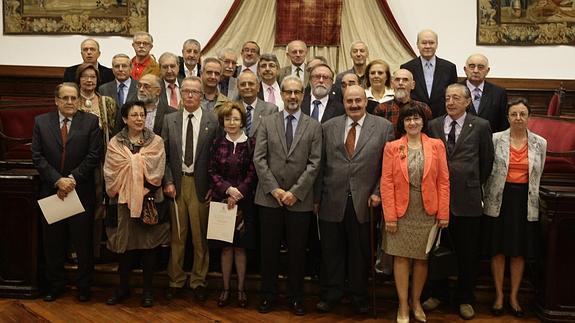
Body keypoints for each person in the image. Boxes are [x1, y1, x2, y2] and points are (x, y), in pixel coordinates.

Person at [315, 85, 394, 314]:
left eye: (358, 100)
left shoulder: (383, 128)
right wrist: (316, 198)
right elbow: (320, 165)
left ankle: (360, 297)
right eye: (349, 101)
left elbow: (387, 168)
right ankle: (332, 294)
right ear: (343, 102)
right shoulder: (329, 127)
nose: (354, 105)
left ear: (366, 101)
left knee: (360, 253)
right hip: (332, 199)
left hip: (366, 201)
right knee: (332, 251)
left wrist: (378, 192)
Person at [253, 75, 322, 316]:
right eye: (288, 92)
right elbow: (259, 158)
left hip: (299, 201)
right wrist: (275, 189)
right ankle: (267, 295)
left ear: (303, 96)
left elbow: (315, 163)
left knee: (296, 253)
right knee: (268, 251)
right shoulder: (267, 122)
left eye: (297, 93)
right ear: (281, 94)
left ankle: (296, 297)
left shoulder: (313, 126)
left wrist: (295, 192)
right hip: (269, 198)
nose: (292, 97)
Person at [426, 83, 494, 320]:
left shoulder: (481, 126)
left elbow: (486, 162)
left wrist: (471, 182)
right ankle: (438, 294)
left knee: (467, 253)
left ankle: (465, 298)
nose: (451, 102)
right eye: (447, 98)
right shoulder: (434, 124)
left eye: (456, 97)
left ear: (467, 101)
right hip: (437, 201)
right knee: (437, 250)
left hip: (468, 199)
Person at [31, 83, 102, 302]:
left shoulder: (90, 122)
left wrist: (71, 179)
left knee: (83, 243)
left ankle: (83, 285)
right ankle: (56, 284)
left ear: (79, 101)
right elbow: (37, 156)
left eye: (74, 98)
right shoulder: (41, 122)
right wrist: (57, 180)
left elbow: (94, 155)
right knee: (53, 242)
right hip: (52, 191)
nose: (70, 102)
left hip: (80, 190)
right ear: (57, 100)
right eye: (65, 98)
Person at [381, 104, 450, 323]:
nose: (412, 122)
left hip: (427, 209)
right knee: (400, 257)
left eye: (416, 119)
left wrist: (443, 213)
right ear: (402, 123)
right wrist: (390, 216)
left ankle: (416, 301)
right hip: (401, 211)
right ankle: (402, 305)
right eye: (408, 119)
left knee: (422, 259)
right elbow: (387, 183)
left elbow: (443, 181)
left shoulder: (436, 145)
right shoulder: (392, 147)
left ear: (423, 121)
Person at [482, 98, 546, 317]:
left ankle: (514, 297)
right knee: (498, 250)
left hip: (525, 201)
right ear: (507, 117)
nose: (518, 118)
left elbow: (540, 173)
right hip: (499, 199)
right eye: (514, 114)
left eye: (522, 114)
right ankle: (499, 296)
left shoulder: (540, 143)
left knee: (519, 252)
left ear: (529, 117)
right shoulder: (494, 139)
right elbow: (486, 170)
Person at [103, 100, 169, 308]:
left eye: (142, 115)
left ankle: (148, 291)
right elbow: (111, 172)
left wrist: (144, 188)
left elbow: (158, 169)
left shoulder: (155, 141)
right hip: (123, 202)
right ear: (125, 119)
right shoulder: (116, 142)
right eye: (134, 115)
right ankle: (123, 288)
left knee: (148, 247)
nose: (139, 119)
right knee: (125, 248)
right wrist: (130, 188)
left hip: (149, 199)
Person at [163, 76, 219, 302]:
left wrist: (213, 186)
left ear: (201, 95)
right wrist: (167, 181)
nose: (189, 95)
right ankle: (175, 281)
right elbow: (163, 155)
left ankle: (198, 281)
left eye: (194, 92)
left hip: (200, 184)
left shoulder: (212, 120)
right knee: (178, 236)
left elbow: (217, 157)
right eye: (185, 91)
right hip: (176, 184)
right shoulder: (170, 120)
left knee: (199, 237)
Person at [208, 102, 258, 308]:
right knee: (226, 249)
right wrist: (228, 190)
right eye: (228, 119)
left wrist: (239, 193)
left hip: (245, 203)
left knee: (240, 249)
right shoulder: (218, 143)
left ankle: (241, 290)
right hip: (222, 202)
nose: (232, 122)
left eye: (236, 119)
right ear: (223, 121)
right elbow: (211, 171)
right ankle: (226, 289)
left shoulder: (251, 143)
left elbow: (254, 171)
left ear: (242, 121)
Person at [75, 63, 119, 259]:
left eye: (93, 77)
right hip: (76, 162)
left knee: (100, 204)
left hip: (101, 162)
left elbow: (114, 132)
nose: (89, 80)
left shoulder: (107, 102)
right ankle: (76, 250)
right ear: (79, 80)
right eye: (85, 77)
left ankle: (96, 251)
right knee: (78, 206)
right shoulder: (71, 101)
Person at [401, 29, 458, 118]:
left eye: (431, 43)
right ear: (417, 45)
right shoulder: (407, 68)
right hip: (415, 117)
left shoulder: (449, 68)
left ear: (437, 44)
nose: (427, 46)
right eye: (424, 43)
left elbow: (454, 94)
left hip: (442, 117)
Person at [373, 69, 432, 137]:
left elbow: (429, 135)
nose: (400, 83)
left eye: (405, 80)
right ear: (392, 84)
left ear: (413, 85)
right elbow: (376, 137)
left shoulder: (423, 108)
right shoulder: (381, 109)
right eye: (397, 80)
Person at [462, 53, 509, 132]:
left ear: (487, 71)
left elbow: (503, 124)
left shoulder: (498, 93)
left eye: (480, 67)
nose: (476, 71)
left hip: (490, 140)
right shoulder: (454, 90)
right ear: (465, 70)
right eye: (472, 66)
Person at [237, 71, 277, 137]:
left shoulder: (271, 110)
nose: (247, 87)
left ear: (258, 87)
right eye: (243, 84)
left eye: (251, 84)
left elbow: (273, 137)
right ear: (238, 88)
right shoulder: (231, 108)